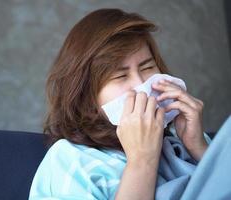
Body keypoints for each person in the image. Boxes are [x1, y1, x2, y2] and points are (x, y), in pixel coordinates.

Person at [29, 8, 210, 200]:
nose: (141, 85)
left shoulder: (181, 140)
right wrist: (142, 161)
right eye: (120, 76)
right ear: (87, 96)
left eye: (148, 67)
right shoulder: (70, 162)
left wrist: (199, 147)